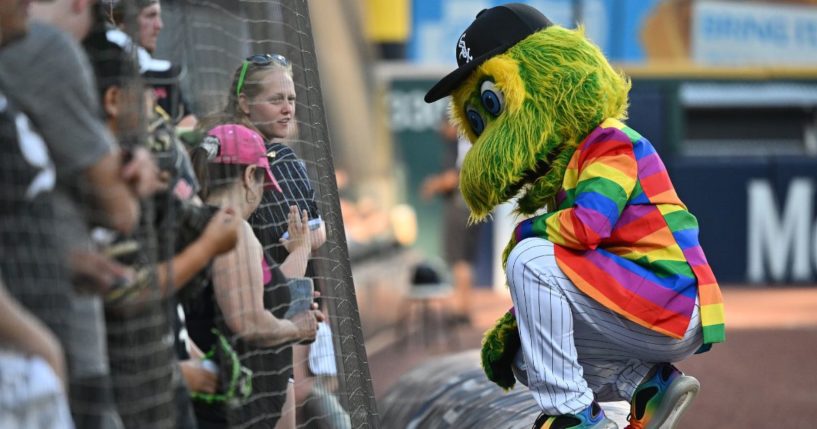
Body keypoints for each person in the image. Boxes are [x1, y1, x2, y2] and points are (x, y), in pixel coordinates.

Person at [423, 4, 724, 429]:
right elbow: (576, 274)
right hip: (639, 301)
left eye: (493, 103)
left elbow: (588, 227)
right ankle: (649, 387)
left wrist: (528, 231)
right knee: (527, 358)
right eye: (478, 120)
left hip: (670, 296)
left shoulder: (609, 142)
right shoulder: (567, 168)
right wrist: (517, 321)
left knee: (529, 256)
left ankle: (574, 417)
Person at [0, 1, 159, 427]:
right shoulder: (44, 50)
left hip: (50, 340)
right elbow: (121, 211)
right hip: (40, 353)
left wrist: (63, 261)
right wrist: (40, 345)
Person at [187, 123, 325, 429]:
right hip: (237, 408)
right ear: (250, 177)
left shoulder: (193, 222)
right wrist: (296, 327)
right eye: (263, 183)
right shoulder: (234, 229)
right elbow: (249, 321)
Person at [421, 118, 480, 325]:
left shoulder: (461, 143)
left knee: (459, 260)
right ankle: (463, 307)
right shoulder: (471, 140)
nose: (442, 131)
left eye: (445, 125)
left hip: (460, 206)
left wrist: (433, 185)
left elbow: (453, 178)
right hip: (471, 206)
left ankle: (460, 308)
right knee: (464, 260)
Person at [109, 0, 196, 127]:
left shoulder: (164, 73)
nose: (159, 25)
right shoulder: (106, 71)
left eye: (158, 16)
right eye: (150, 16)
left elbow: (189, 121)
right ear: (124, 21)